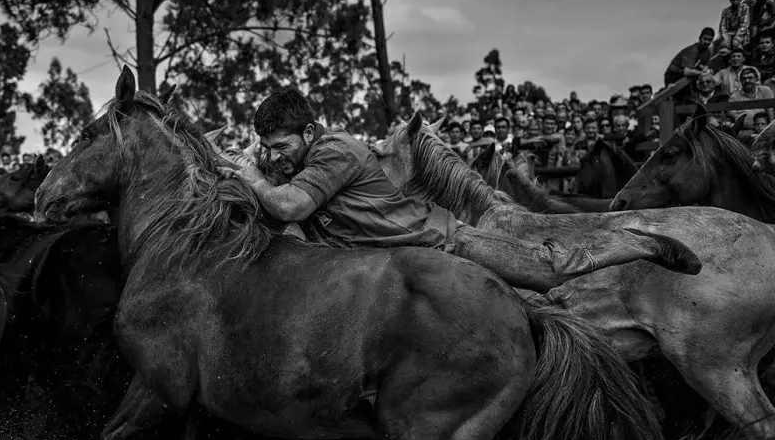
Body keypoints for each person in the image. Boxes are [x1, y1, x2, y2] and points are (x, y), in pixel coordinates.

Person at [217, 89, 700, 293]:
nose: (276, 156)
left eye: (281, 145)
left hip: (444, 240)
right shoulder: (302, 160)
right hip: (404, 259)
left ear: (308, 132)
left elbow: (289, 205)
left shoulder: (334, 151)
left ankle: (639, 244)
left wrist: (250, 175)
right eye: (269, 149)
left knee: (550, 276)